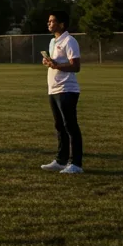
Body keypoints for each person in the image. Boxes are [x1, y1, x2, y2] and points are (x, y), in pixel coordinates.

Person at [41, 10, 83, 174]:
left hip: (67, 89)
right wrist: (49, 61)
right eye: (49, 21)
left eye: (52, 21)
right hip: (54, 88)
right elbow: (56, 62)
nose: (49, 23)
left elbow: (76, 66)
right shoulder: (53, 42)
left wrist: (56, 65)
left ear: (62, 24)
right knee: (59, 126)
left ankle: (76, 164)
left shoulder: (70, 41)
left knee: (70, 126)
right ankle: (61, 160)